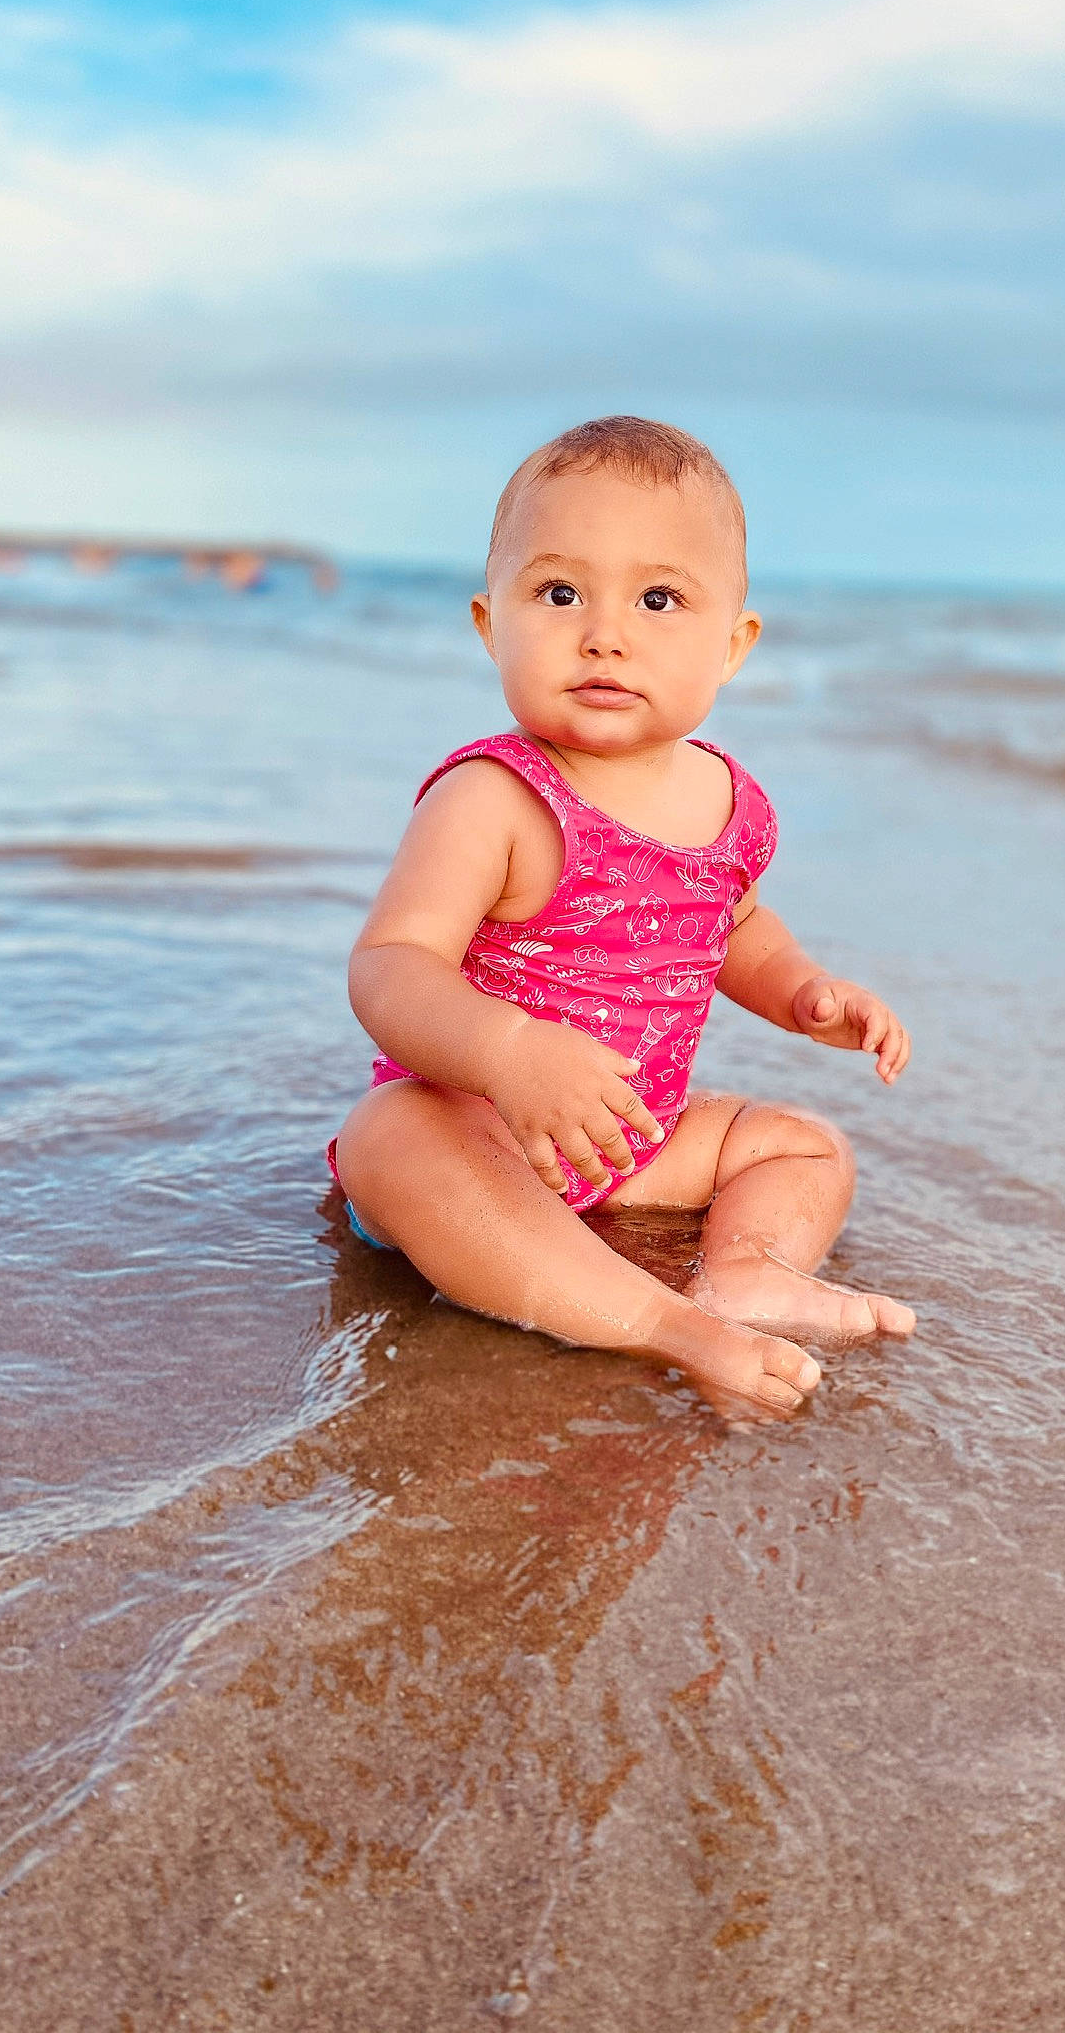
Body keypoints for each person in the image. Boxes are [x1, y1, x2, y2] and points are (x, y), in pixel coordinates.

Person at [330, 416, 915, 1417]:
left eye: (658, 598)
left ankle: (746, 1268)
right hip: (484, 1129)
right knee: (391, 1135)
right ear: (489, 624)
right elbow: (390, 965)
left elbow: (734, 927)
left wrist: (803, 991)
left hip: (636, 1138)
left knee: (803, 1143)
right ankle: (664, 1323)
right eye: (559, 593)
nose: (606, 631)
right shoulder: (492, 797)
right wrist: (511, 1055)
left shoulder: (731, 800)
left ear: (732, 645)